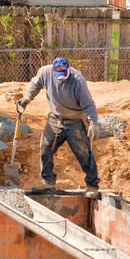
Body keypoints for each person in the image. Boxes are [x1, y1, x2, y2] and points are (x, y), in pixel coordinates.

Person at [17, 56, 100, 190]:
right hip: (55, 118)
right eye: (59, 75)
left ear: (68, 69)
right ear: (53, 70)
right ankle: (48, 182)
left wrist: (93, 123)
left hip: (75, 120)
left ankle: (92, 185)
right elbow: (35, 84)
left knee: (84, 153)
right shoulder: (45, 72)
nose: (62, 78)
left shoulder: (77, 80)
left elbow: (89, 104)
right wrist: (28, 97)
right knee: (46, 147)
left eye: (64, 75)